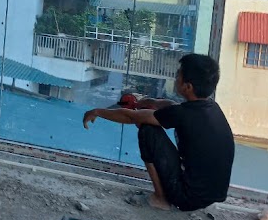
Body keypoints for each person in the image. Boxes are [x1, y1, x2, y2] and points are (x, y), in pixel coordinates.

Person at [83, 53, 234, 211]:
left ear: (188, 87)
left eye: (178, 75)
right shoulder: (212, 108)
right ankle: (169, 194)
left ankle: (160, 199)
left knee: (147, 129)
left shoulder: (183, 114)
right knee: (153, 122)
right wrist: (151, 102)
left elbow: (131, 117)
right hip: (210, 194)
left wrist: (97, 112)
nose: (175, 78)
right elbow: (172, 106)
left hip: (187, 197)